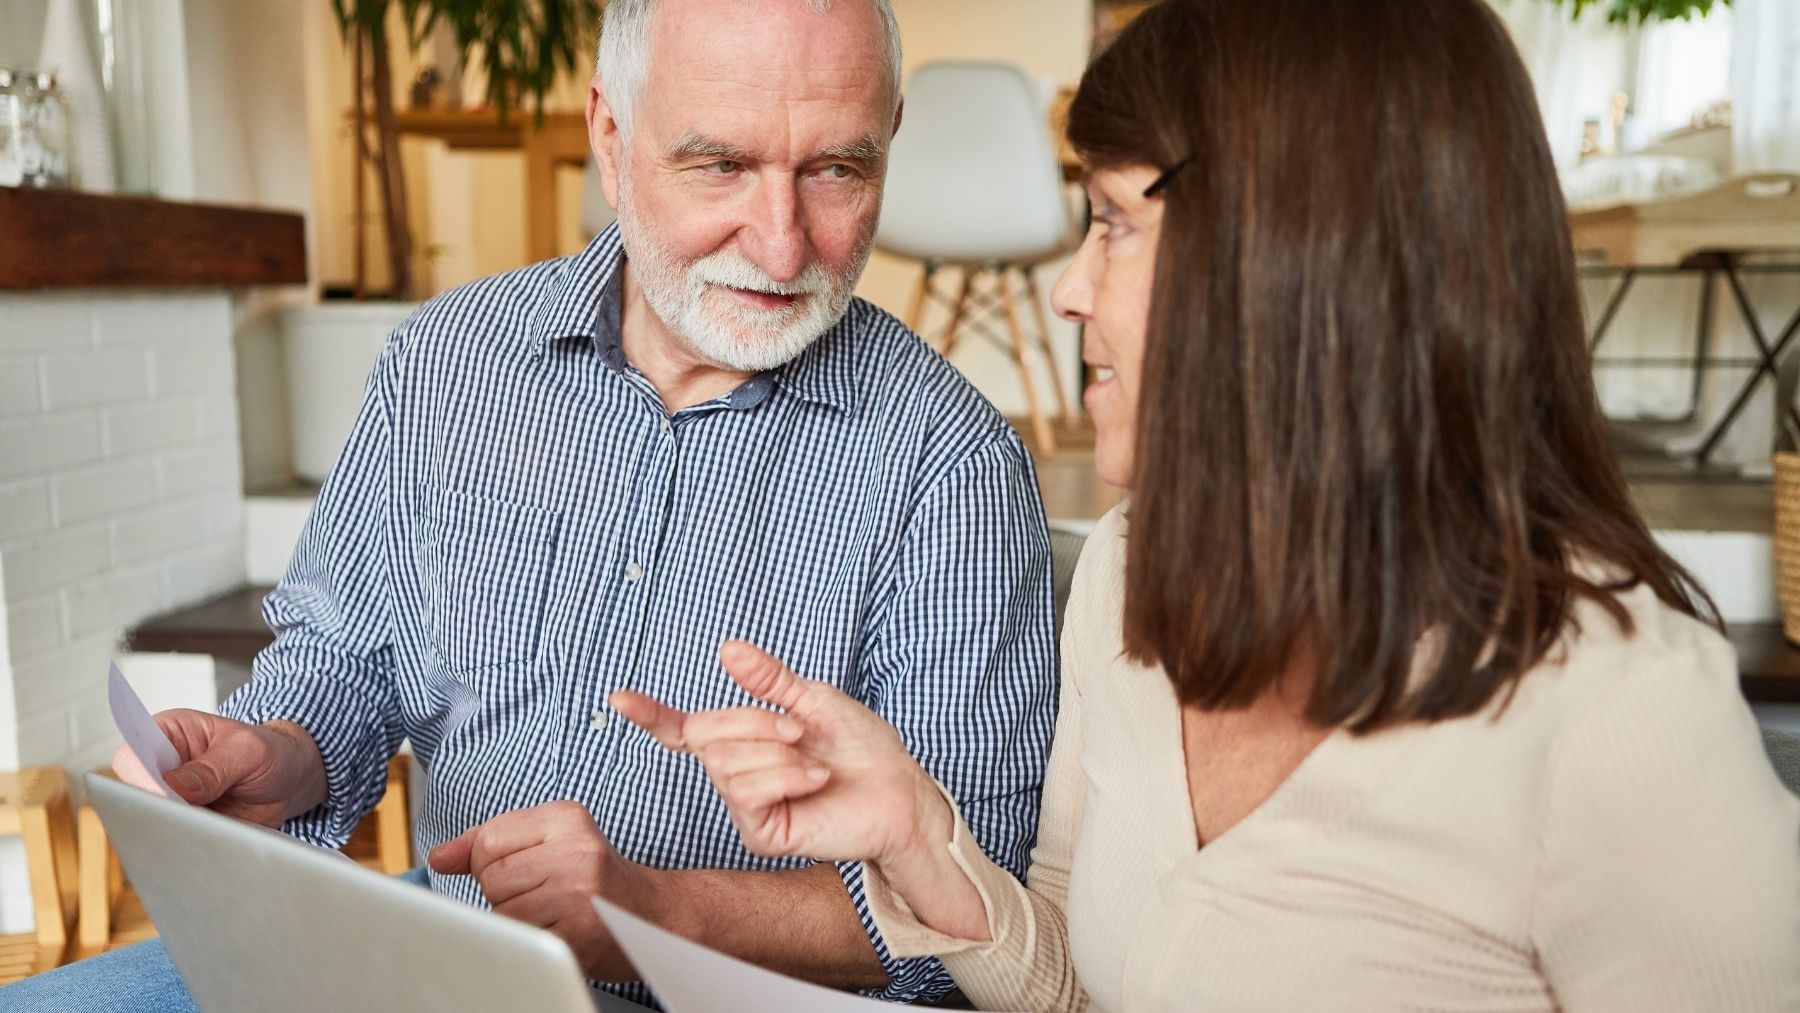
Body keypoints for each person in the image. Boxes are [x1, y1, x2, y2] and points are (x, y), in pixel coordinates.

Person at [611, 0, 1800, 1009]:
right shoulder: (1138, 567)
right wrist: (917, 833)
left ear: (1291, 255)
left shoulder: (1615, 707)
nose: (1071, 289)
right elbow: (1083, 974)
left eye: (1118, 223)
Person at [2, 0, 1055, 1009]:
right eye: (719, 164)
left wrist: (658, 909)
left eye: (836, 169)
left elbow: (968, 915)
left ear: (889, 141)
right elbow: (347, 658)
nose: (781, 247)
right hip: (431, 951)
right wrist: (275, 751)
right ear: (610, 130)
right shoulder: (447, 363)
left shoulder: (950, 466)